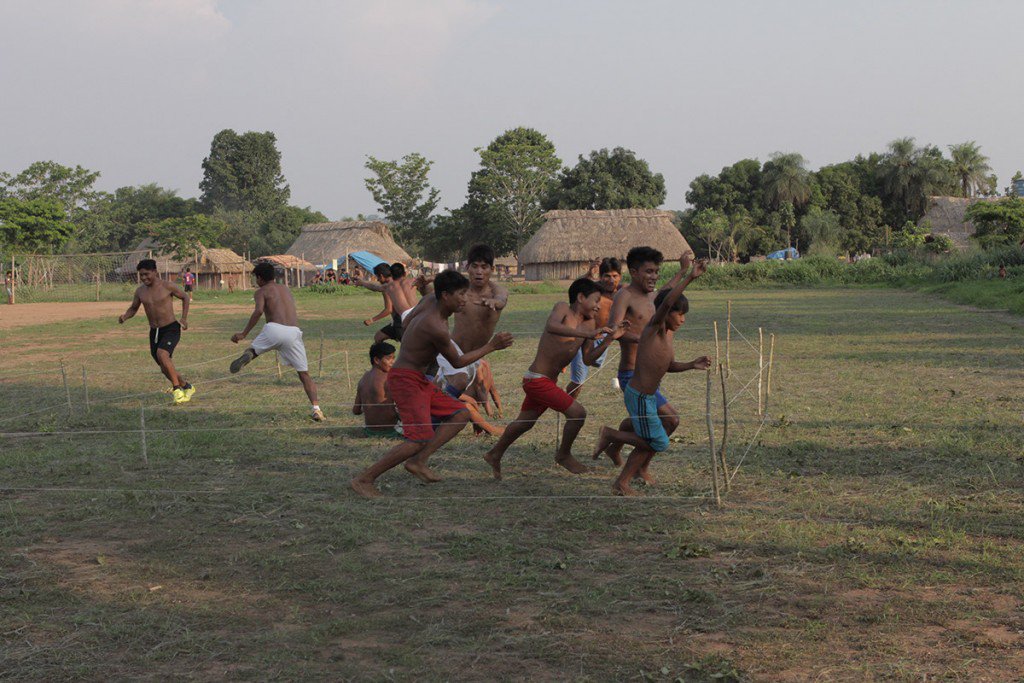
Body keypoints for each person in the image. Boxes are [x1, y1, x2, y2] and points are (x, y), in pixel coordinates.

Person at [350, 270, 514, 498]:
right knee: (418, 439)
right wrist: (491, 346)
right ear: (445, 295)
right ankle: (364, 479)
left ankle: (418, 461)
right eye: (461, 294)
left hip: (417, 378)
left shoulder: (429, 300)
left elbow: (406, 322)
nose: (465, 300)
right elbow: (457, 362)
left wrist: (416, 344)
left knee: (461, 413)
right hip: (406, 380)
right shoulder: (436, 326)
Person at [482, 278, 629, 480]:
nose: (598, 307)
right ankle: (563, 455)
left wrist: (610, 338)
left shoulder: (590, 324)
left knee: (525, 422)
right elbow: (551, 326)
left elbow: (588, 359)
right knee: (577, 413)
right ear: (580, 297)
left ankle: (494, 454)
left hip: (548, 382)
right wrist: (587, 334)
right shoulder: (562, 309)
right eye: (596, 301)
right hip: (536, 379)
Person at [592, 253, 710, 495]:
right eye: (649, 271)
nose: (683, 320)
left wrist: (691, 364)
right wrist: (689, 277)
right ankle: (615, 443)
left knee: (659, 427)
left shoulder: (661, 323)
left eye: (657, 272)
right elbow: (665, 303)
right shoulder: (647, 319)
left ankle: (630, 464)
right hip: (634, 384)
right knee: (660, 434)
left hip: (646, 391)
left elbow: (665, 298)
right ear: (634, 272)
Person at [228, 262, 324, 422]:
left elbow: (259, 311)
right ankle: (316, 409)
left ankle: (250, 355)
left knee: (252, 350)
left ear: (260, 278)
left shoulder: (261, 291)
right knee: (304, 374)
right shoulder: (285, 289)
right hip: (293, 332)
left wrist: (243, 333)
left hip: (273, 329)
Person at [118, 258, 195, 404]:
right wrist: (125, 316)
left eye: (146, 274)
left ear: (155, 272)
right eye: (141, 275)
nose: (144, 278)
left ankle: (177, 389)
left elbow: (185, 297)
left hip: (171, 328)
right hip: (154, 332)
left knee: (162, 354)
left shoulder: (167, 286)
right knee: (164, 367)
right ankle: (187, 387)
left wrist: (184, 319)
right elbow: (133, 308)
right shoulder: (140, 291)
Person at [566, 257, 623, 398]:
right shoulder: (594, 289)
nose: (611, 280)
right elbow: (576, 287)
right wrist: (588, 273)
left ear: (620, 276)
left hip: (603, 338)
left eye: (615, 276)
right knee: (578, 382)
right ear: (601, 277)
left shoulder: (624, 293)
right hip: (585, 339)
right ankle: (567, 404)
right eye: (607, 276)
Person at [354, 262, 419, 343]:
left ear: (381, 276)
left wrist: (372, 320)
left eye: (377, 277)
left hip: (401, 321)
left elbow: (388, 309)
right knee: (378, 337)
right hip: (415, 317)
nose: (378, 280)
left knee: (409, 345)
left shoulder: (389, 287)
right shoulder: (411, 281)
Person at [354, 341, 401, 438]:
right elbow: (403, 406)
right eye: (388, 358)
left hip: (370, 431)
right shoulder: (389, 379)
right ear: (376, 360)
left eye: (393, 358)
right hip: (391, 431)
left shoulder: (363, 379)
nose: (393, 362)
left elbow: (356, 410)